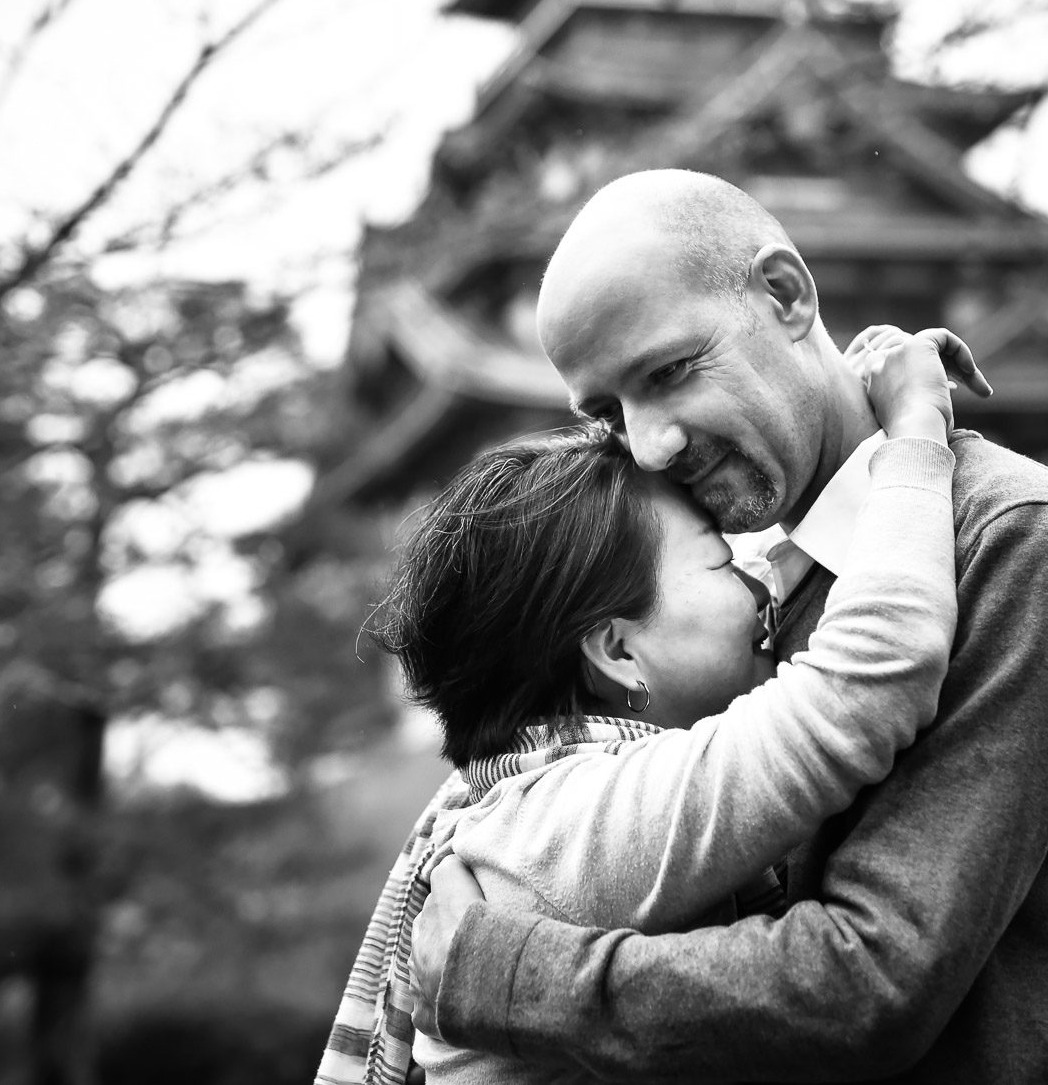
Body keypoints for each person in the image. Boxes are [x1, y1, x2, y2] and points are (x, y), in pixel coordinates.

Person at [408, 169, 1048, 1083]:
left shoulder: (1014, 539)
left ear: (787, 296)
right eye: (606, 413)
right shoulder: (744, 602)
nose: (649, 447)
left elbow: (874, 981)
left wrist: (504, 971)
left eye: (668, 373)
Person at [318, 324, 984, 1085]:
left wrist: (828, 405)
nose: (763, 583)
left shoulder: (510, 809)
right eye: (719, 559)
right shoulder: (582, 821)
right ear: (616, 650)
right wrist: (914, 434)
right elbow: (867, 682)